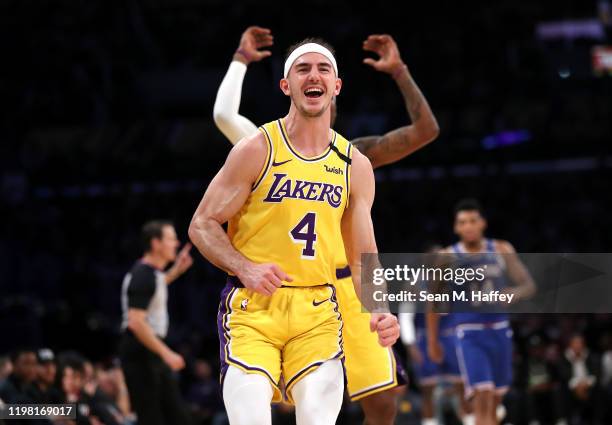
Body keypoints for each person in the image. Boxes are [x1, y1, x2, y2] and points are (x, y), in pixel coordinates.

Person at [212, 26, 439, 425]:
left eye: (323, 72)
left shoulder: (355, 158)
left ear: (336, 89)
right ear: (288, 87)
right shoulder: (262, 145)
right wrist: (240, 60)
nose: (314, 81)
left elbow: (425, 132)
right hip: (281, 290)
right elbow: (223, 115)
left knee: (383, 402)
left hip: (346, 288)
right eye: (303, 71)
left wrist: (400, 71)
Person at [427, 198, 536, 425]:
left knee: (495, 401)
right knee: (482, 396)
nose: (468, 226)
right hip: (469, 333)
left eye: (472, 221)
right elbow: (433, 302)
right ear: (456, 227)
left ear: (482, 223)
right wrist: (432, 341)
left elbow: (528, 285)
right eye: (462, 222)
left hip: (499, 331)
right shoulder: (447, 257)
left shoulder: (501, 249)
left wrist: (512, 294)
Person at [118, 220, 193, 425]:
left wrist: (176, 270)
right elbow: (136, 322)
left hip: (148, 350)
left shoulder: (151, 274)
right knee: (153, 417)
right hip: (140, 351)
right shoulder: (143, 275)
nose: (176, 244)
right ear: (155, 243)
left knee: (176, 415)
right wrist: (166, 353)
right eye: (171, 239)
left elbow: (155, 288)